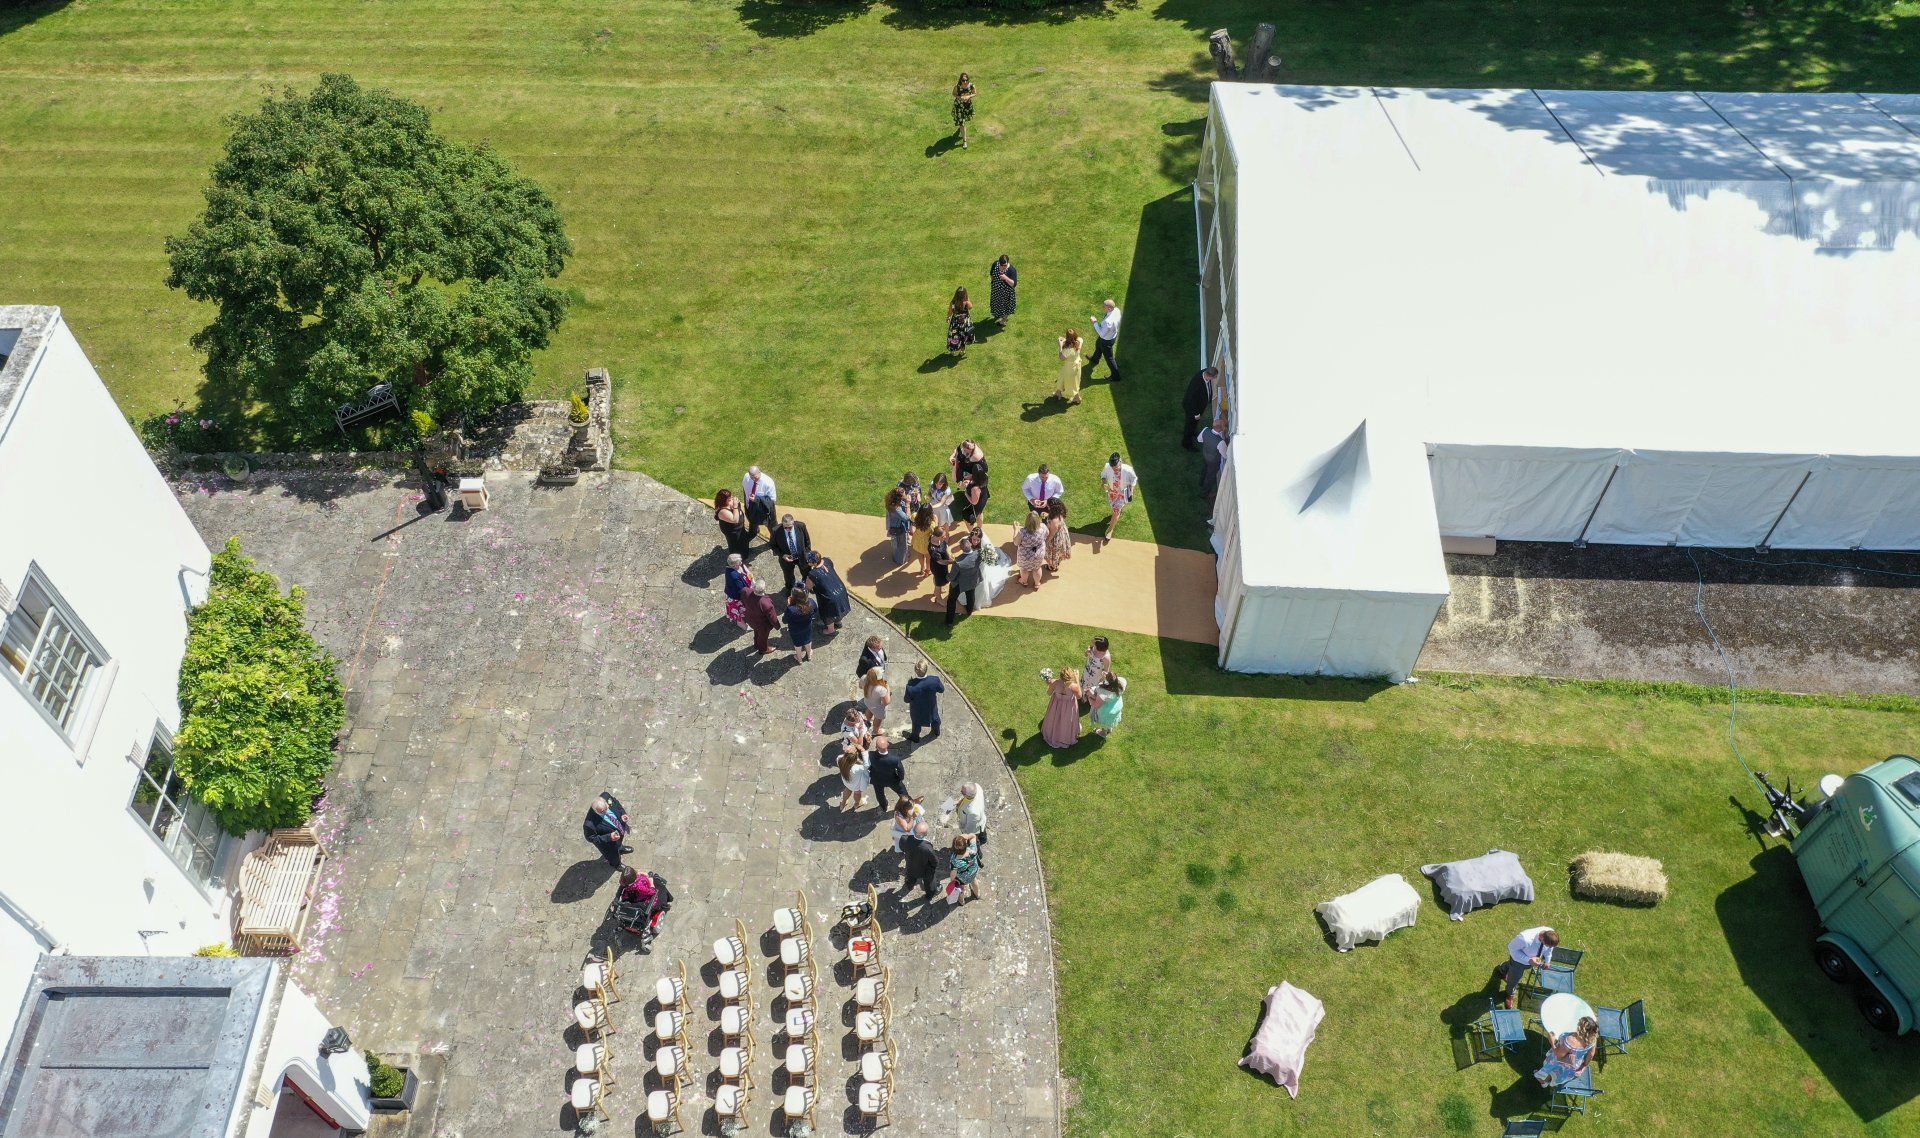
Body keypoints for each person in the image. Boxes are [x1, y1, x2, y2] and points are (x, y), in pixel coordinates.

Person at [1496, 926, 1561, 1009]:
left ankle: (1502, 969)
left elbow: (1549, 950)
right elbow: (1511, 948)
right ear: (1542, 937)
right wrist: (1529, 960)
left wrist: (1548, 961)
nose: (1548, 947)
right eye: (1546, 945)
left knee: (1511, 966)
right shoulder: (1524, 938)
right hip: (1518, 962)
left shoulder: (1550, 932)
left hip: (1529, 962)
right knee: (1514, 979)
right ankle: (1509, 994)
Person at [1535, 1017, 1599, 1089]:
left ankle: (1544, 1081)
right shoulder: (1592, 1039)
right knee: (1557, 1073)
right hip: (1573, 1066)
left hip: (1561, 1065)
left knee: (1553, 1066)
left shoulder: (1571, 1040)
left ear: (1580, 1028)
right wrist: (1584, 1065)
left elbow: (1558, 1056)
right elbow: (1591, 1054)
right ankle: (1550, 1079)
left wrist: (1551, 1041)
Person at [582, 793, 632, 869]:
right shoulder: (589, 824)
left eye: (607, 808)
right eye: (602, 811)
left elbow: (616, 803)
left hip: (619, 830)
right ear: (596, 811)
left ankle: (620, 848)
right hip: (608, 844)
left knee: (619, 843)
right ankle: (617, 864)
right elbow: (590, 838)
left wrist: (623, 813)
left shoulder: (606, 796)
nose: (606, 812)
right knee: (613, 856)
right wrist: (609, 837)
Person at [805, 550, 850, 635]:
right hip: (840, 589)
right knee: (838, 608)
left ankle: (830, 630)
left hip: (830, 596)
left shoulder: (813, 574)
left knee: (828, 614)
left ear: (813, 563)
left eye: (808, 561)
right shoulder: (827, 560)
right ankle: (838, 622)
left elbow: (808, 587)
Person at [1099, 453, 1137, 545]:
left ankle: (1110, 530)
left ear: (1120, 462)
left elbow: (1134, 479)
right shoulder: (1108, 466)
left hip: (1122, 493)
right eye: (1113, 468)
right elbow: (1103, 475)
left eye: (1116, 467)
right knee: (1114, 509)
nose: (1115, 469)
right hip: (1112, 492)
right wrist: (1104, 483)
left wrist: (1131, 490)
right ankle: (1117, 513)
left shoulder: (1128, 470)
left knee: (1116, 511)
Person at [947, 782, 988, 867]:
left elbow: (970, 830)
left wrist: (964, 835)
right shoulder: (977, 787)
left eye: (962, 792)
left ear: (968, 796)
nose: (960, 792)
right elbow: (966, 798)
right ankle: (983, 839)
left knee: (974, 841)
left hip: (974, 827)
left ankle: (978, 856)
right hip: (980, 821)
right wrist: (959, 802)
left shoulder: (973, 812)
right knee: (982, 834)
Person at [1041, 665, 1082, 748]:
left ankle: (1052, 733)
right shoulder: (1074, 686)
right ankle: (1065, 737)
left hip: (1056, 705)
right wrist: (1077, 679)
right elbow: (1079, 696)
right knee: (1066, 721)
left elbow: (1049, 693)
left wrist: (1049, 683)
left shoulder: (1054, 682)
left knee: (1054, 718)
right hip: (1069, 706)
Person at [902, 820, 942, 903]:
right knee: (930, 882)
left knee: (910, 878)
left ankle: (909, 886)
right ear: (926, 834)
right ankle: (930, 895)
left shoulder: (904, 838)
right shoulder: (927, 848)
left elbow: (902, 847)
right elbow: (935, 861)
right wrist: (932, 868)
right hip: (925, 870)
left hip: (911, 866)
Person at [771, 512, 813, 591]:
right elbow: (773, 546)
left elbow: (807, 542)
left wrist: (807, 554)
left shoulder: (801, 526)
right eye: (785, 527)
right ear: (782, 524)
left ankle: (807, 586)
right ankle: (790, 589)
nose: (787, 529)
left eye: (790, 527)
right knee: (788, 577)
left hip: (802, 557)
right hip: (786, 560)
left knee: (806, 573)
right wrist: (783, 555)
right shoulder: (775, 531)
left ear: (793, 523)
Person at [946, 532, 982, 624]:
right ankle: (969, 611)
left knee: (951, 600)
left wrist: (946, 576)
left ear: (961, 549)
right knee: (970, 597)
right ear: (970, 544)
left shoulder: (957, 562)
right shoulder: (979, 554)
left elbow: (951, 577)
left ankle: (949, 621)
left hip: (959, 584)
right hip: (972, 581)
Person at [905, 660, 945, 741]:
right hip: (931, 707)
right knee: (935, 719)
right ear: (926, 669)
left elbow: (906, 700)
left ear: (915, 671)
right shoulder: (935, 680)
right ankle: (936, 732)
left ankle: (915, 737)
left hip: (917, 710)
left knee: (916, 724)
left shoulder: (911, 686)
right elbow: (941, 690)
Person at [1183, 366, 1220, 450]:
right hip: (1192, 409)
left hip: (1198, 406)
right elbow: (1190, 400)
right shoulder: (1197, 383)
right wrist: (1196, 414)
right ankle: (1186, 443)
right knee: (1189, 424)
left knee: (1194, 424)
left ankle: (1192, 432)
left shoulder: (1205, 372)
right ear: (1209, 376)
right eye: (1215, 377)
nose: (1215, 378)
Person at [869, 735, 909, 811]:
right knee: (902, 792)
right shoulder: (894, 759)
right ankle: (906, 805)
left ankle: (884, 806)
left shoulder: (870, 755)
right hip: (892, 780)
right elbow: (900, 770)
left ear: (876, 747)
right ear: (888, 745)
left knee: (879, 795)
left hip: (877, 780)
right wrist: (900, 778)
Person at [743, 579, 781, 656]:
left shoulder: (746, 591)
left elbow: (743, 601)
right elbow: (772, 617)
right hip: (762, 625)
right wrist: (777, 626)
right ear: (764, 589)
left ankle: (756, 644)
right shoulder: (766, 603)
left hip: (750, 620)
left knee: (756, 631)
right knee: (763, 637)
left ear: (754, 587)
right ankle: (763, 649)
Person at [1087, 299, 1122, 381]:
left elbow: (1102, 334)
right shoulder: (1116, 310)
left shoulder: (1107, 322)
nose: (1103, 308)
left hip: (1106, 340)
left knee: (1109, 358)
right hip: (1112, 336)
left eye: (1104, 307)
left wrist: (1095, 322)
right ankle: (1095, 359)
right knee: (1098, 344)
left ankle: (1116, 376)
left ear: (1109, 308)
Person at [742, 466, 778, 544]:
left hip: (765, 511)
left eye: (756, 477)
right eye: (752, 477)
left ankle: (775, 539)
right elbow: (744, 490)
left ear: (759, 472)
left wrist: (757, 499)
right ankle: (753, 532)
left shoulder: (768, 482)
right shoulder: (746, 477)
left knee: (772, 526)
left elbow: (772, 500)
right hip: (750, 507)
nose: (754, 479)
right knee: (752, 521)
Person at [947, 834, 984, 903]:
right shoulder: (973, 849)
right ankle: (977, 894)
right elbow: (973, 836)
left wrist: (952, 881)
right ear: (966, 844)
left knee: (961, 889)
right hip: (973, 872)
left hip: (962, 878)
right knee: (974, 882)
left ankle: (961, 901)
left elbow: (953, 874)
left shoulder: (954, 860)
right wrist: (965, 836)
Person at [1199, 417, 1227, 506]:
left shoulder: (1205, 430)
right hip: (1213, 461)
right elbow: (1225, 455)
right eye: (1223, 425)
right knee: (1210, 477)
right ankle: (1205, 494)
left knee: (1205, 469)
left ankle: (1201, 482)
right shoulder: (1220, 442)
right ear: (1220, 428)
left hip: (1206, 455)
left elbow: (1199, 440)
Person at [714, 488, 750, 558]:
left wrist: (736, 504)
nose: (732, 499)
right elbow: (735, 520)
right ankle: (738, 559)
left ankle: (744, 553)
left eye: (731, 497)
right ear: (723, 500)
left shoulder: (728, 503)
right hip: (733, 532)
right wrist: (735, 506)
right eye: (729, 499)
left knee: (743, 542)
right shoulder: (722, 511)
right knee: (736, 546)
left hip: (739, 529)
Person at [784, 587, 816, 663]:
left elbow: (785, 620)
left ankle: (799, 659)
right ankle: (809, 656)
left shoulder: (791, 609)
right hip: (807, 627)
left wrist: (788, 605)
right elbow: (815, 611)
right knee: (808, 641)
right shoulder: (811, 602)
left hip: (795, 630)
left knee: (797, 644)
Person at [1015, 511, 1047, 588]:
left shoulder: (1022, 532)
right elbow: (1047, 534)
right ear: (1038, 520)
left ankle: (1024, 581)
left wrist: (1015, 529)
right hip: (1039, 553)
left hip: (1025, 556)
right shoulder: (1043, 527)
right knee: (1037, 568)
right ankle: (1037, 583)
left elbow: (1016, 543)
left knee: (1024, 569)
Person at [885, 487, 913, 567]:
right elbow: (907, 518)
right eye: (904, 495)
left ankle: (899, 556)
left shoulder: (892, 501)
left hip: (895, 526)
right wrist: (908, 504)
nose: (905, 495)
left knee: (897, 544)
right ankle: (900, 560)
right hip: (899, 529)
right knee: (901, 545)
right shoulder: (896, 509)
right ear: (899, 498)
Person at [723, 553, 753, 627]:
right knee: (738, 614)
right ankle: (743, 626)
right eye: (739, 562)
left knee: (744, 610)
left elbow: (744, 569)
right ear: (734, 565)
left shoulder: (732, 567)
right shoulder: (734, 576)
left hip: (738, 594)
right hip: (736, 598)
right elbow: (742, 590)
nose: (741, 563)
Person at [1055, 329, 1083, 404]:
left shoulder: (1068, 350)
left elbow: (1061, 357)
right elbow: (1073, 342)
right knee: (1062, 377)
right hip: (1076, 366)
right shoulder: (1080, 340)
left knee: (1072, 384)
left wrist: (1060, 346)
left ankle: (1077, 398)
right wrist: (1065, 340)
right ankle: (1058, 392)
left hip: (1070, 368)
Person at [862, 666, 893, 733]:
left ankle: (867, 720)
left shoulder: (864, 678)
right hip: (877, 707)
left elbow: (860, 686)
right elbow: (887, 702)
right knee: (878, 719)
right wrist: (887, 687)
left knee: (869, 709)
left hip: (867, 702)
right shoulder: (880, 689)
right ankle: (876, 730)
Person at [928, 524, 953, 606]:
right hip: (938, 568)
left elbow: (945, 547)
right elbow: (941, 562)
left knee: (939, 580)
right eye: (943, 536)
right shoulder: (933, 549)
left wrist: (949, 555)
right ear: (936, 536)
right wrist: (951, 562)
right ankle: (938, 598)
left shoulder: (937, 539)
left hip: (942, 566)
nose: (945, 537)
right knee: (939, 582)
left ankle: (938, 590)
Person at [1044, 497, 1071, 572]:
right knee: (1058, 553)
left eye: (1048, 506)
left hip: (1055, 539)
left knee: (1052, 553)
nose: (1047, 506)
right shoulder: (1060, 512)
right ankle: (1056, 563)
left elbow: (1052, 534)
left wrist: (1045, 542)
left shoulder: (1054, 521)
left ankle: (1053, 566)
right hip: (1061, 533)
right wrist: (1048, 515)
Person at [989, 254, 1018, 323]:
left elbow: (1014, 284)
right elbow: (991, 274)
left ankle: (1004, 320)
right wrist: (993, 282)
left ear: (1008, 263)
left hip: (1006, 293)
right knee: (996, 303)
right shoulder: (995, 264)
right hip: (996, 290)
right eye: (1001, 265)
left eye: (1005, 265)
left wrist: (1005, 278)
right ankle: (997, 314)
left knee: (1005, 307)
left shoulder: (1011, 270)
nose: (1003, 267)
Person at [951, 72, 976, 149]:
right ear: (960, 80)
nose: (965, 82)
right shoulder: (957, 86)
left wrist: (968, 96)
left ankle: (960, 129)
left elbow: (974, 93)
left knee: (964, 121)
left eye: (966, 80)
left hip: (967, 106)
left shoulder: (971, 86)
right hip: (959, 106)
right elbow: (954, 94)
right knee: (962, 123)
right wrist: (959, 97)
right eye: (963, 80)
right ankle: (965, 141)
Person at [947, 286, 974, 355]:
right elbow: (971, 307)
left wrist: (948, 318)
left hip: (955, 323)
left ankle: (953, 350)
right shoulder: (966, 302)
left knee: (954, 336)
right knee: (963, 337)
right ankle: (962, 351)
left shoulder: (953, 303)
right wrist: (967, 298)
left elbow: (950, 313)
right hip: (964, 324)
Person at [910, 505, 935, 576]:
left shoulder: (914, 516)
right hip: (927, 543)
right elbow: (934, 532)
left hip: (917, 540)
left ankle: (922, 568)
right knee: (928, 557)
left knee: (920, 555)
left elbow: (912, 524)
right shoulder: (931, 524)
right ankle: (928, 570)